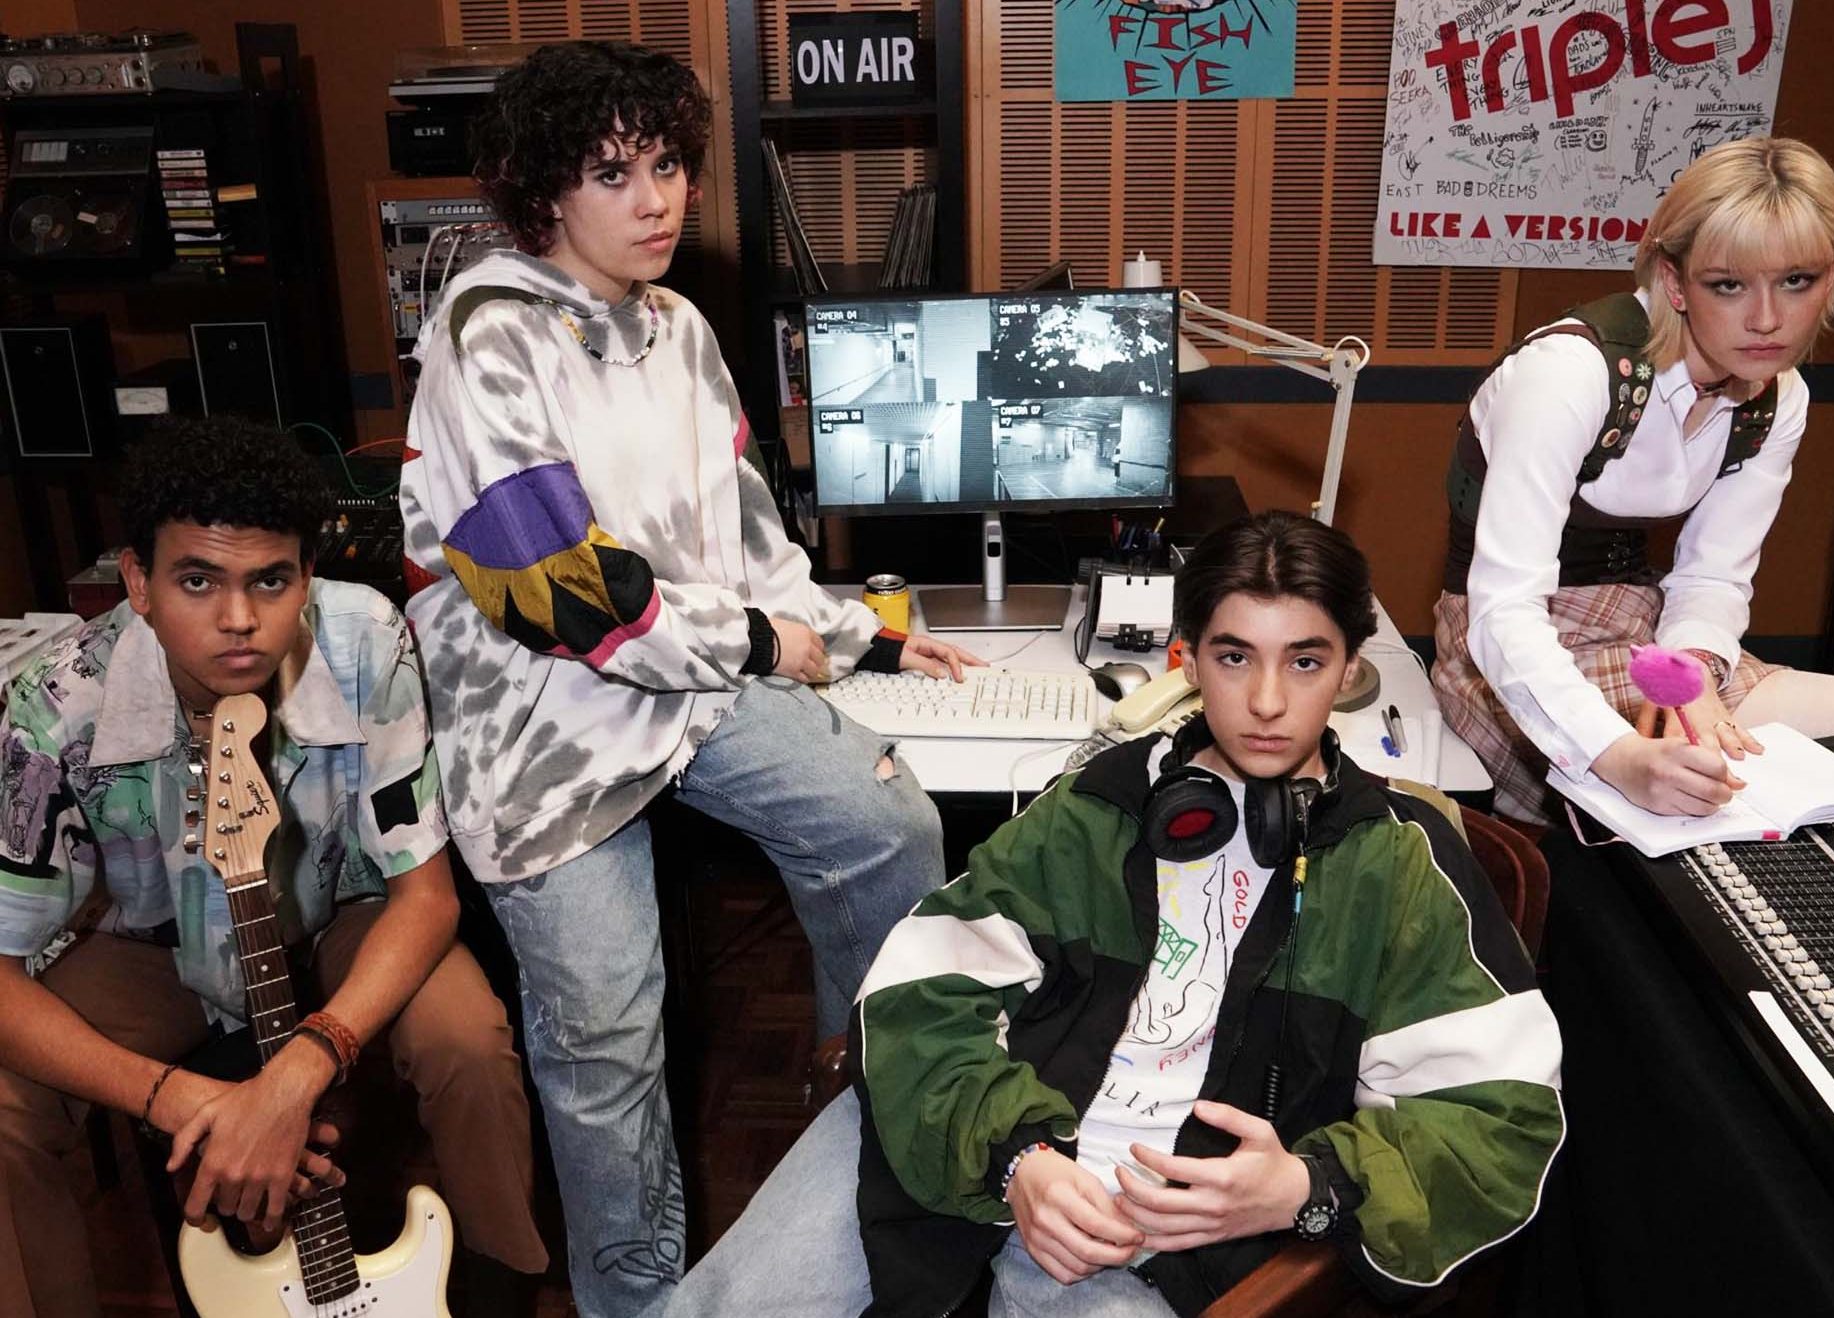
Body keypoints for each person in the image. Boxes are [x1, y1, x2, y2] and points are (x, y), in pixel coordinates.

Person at [399, 41, 977, 1314]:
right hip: (544, 730)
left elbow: (746, 536)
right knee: (607, 1052)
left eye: (666, 165)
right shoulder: (486, 336)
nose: (656, 199)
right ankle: (638, 1303)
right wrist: (764, 643)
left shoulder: (679, 325)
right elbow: (558, 588)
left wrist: (865, 633)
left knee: (886, 825)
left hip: (687, 681)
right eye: (613, 174)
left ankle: (860, 1097)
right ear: (544, 191)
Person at [663, 510, 1565, 1318]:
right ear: (1185, 660)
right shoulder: (1099, 806)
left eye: (1304, 661)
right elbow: (916, 989)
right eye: (1232, 657)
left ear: (1350, 670)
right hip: (976, 1137)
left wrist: (1304, 1186)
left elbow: (1499, 1123)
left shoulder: (1399, 864)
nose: (1265, 701)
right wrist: (1015, 1157)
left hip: (1167, 1242)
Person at [0, 418, 547, 1318]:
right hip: (154, 950)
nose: (239, 620)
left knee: (468, 1042)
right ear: (137, 581)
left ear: (307, 573)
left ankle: (493, 1294)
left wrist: (296, 1074)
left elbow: (426, 898)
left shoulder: (368, 641)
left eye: (270, 580)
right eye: (196, 581)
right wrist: (179, 1099)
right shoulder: (54, 706)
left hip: (340, 915)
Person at [1434, 136, 1834, 825]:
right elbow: (1504, 612)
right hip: (1503, 642)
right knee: (1684, 793)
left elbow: (1712, 578)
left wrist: (1692, 670)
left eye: (1796, 280)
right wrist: (1615, 756)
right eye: (1727, 284)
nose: (1767, 319)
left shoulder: (1778, 396)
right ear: (1674, 282)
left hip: (1646, 629)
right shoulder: (1571, 372)